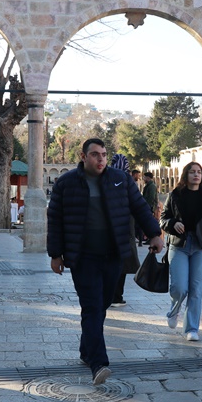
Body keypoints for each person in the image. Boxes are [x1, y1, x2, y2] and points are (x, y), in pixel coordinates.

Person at [48, 138, 163, 385]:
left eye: (103, 154)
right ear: (83, 156)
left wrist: (154, 233)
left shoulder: (120, 179)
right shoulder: (66, 183)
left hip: (113, 255)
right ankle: (99, 363)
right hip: (82, 257)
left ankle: (86, 349)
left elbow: (140, 207)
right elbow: (55, 219)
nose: (100, 159)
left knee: (101, 305)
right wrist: (55, 254)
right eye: (95, 155)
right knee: (91, 306)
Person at [162, 162, 202, 340]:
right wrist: (173, 223)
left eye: (199, 172)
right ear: (186, 175)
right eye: (192, 172)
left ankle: (191, 329)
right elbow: (163, 218)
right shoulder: (175, 194)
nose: (196, 175)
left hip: (201, 247)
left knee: (196, 289)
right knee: (180, 288)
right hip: (179, 245)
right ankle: (174, 311)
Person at [109, 154, 139, 307]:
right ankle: (116, 296)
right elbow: (139, 208)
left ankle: (111, 295)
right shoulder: (129, 183)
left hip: (108, 233)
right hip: (125, 232)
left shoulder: (105, 180)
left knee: (112, 265)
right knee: (122, 266)